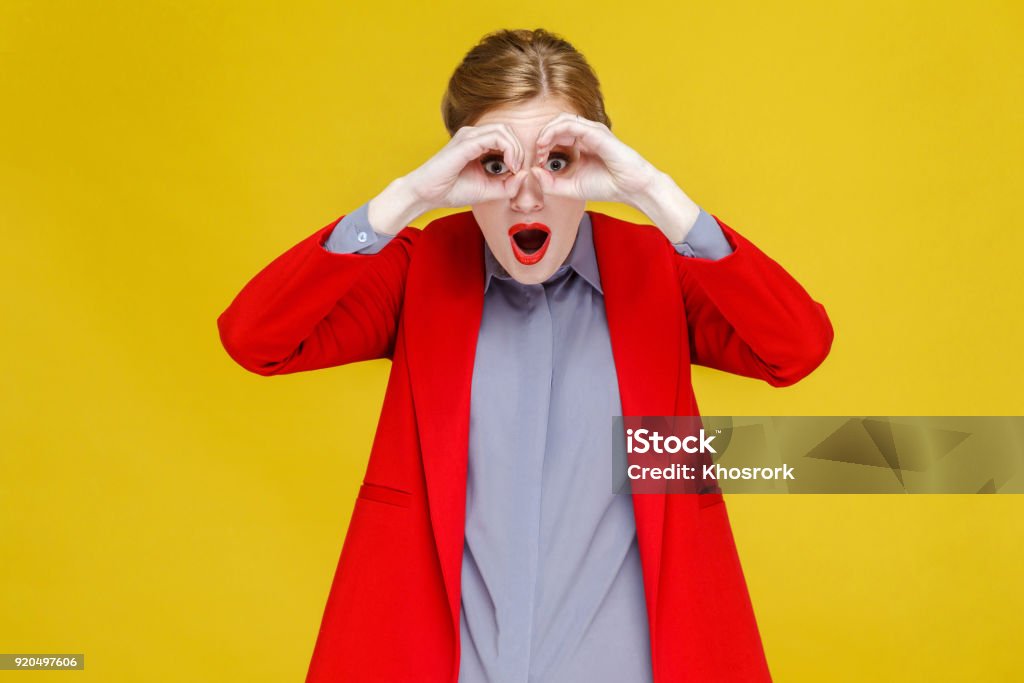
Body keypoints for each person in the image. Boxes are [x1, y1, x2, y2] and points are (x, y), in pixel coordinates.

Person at [217, 27, 833, 683]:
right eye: (495, 164)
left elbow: (795, 347)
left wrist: (655, 194)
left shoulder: (658, 273)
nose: (527, 195)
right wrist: (407, 199)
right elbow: (257, 339)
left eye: (559, 162)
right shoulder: (419, 272)